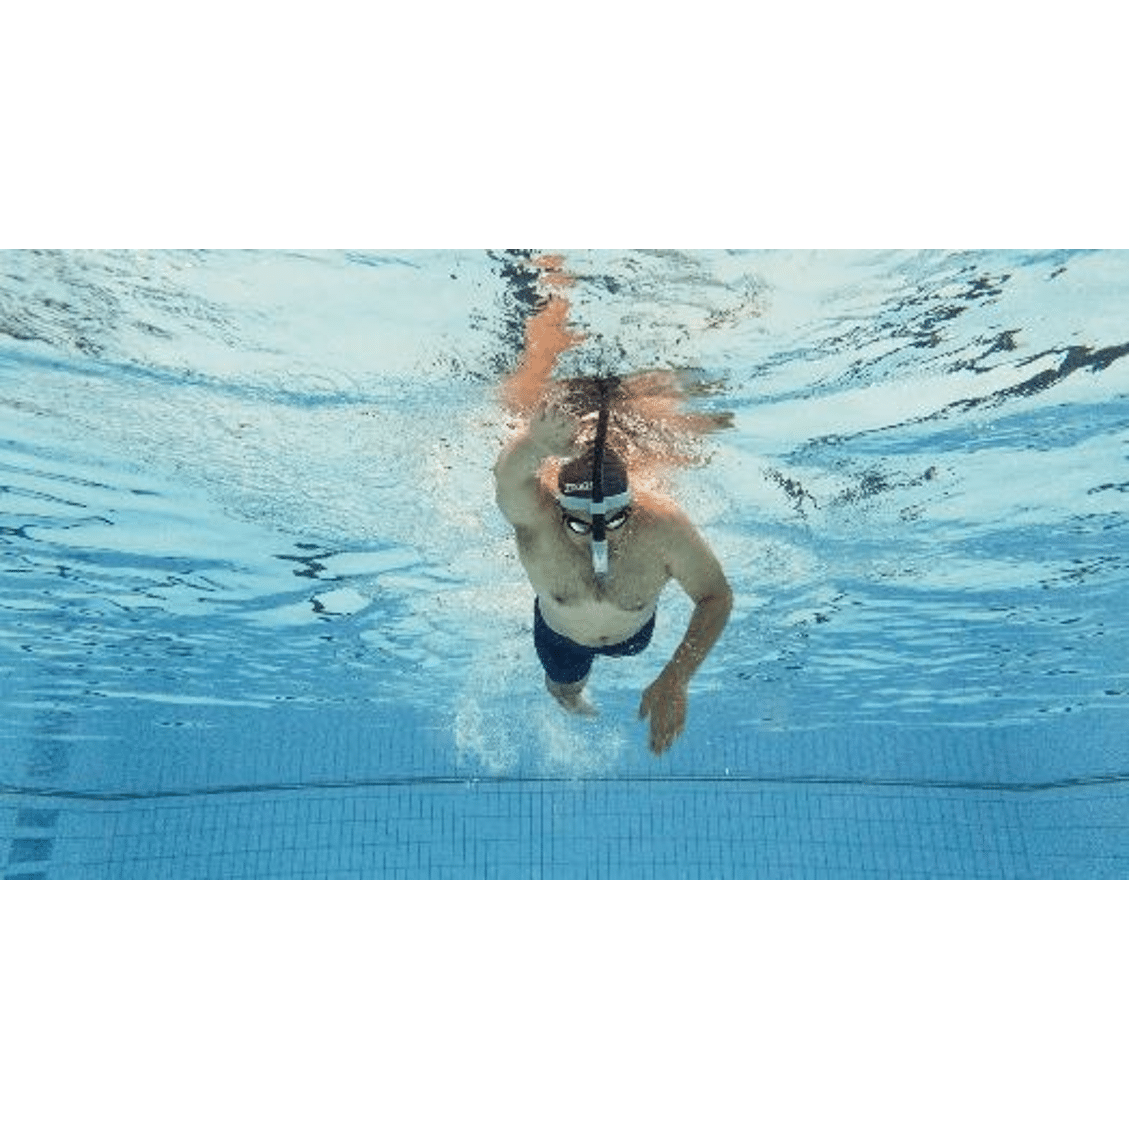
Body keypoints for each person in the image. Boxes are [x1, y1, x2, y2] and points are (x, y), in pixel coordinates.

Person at [493, 258, 732, 754]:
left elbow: (715, 596)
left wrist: (676, 677)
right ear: (559, 507)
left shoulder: (661, 524)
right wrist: (533, 443)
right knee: (562, 687)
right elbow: (508, 479)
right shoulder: (539, 521)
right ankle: (573, 698)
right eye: (580, 525)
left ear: (634, 503)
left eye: (617, 519)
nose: (598, 534)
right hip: (561, 638)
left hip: (635, 636)